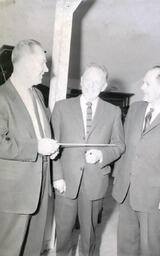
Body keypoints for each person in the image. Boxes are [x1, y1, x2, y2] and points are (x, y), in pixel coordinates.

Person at [112, 66, 160, 256]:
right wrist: (117, 176)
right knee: (125, 245)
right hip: (127, 189)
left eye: (147, 83)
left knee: (151, 248)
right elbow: (125, 147)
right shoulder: (135, 108)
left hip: (154, 197)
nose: (142, 88)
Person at [51, 63, 125, 256]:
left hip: (95, 182)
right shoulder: (61, 107)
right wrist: (56, 177)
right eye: (88, 80)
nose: (91, 85)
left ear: (104, 86)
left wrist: (102, 155)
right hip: (65, 182)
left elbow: (119, 145)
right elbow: (53, 145)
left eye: (97, 82)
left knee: (89, 234)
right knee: (63, 232)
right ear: (81, 81)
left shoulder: (113, 112)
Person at [0, 39, 59, 256]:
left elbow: (40, 132)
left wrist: (50, 147)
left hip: (40, 190)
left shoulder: (37, 94)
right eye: (42, 63)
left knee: (33, 250)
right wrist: (37, 147)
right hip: (14, 195)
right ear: (25, 63)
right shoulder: (1, 97)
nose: (46, 69)